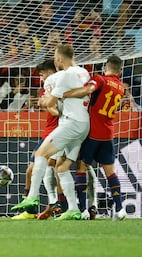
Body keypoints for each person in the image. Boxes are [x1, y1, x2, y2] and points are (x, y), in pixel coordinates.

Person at [11, 44, 91, 220]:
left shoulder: (63, 76)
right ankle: (73, 208)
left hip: (71, 123)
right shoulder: (83, 72)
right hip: (84, 123)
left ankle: (32, 197)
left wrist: (41, 102)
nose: (55, 60)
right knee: (62, 168)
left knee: (41, 154)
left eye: (55, 56)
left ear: (59, 59)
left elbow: (50, 103)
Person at [64, 55, 127, 220]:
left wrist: (66, 94)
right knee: (110, 173)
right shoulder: (121, 87)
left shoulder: (101, 79)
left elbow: (88, 90)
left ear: (106, 67)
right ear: (120, 71)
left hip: (92, 133)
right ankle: (120, 209)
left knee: (82, 167)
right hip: (108, 134)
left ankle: (83, 209)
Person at [11, 59, 66, 220]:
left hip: (57, 133)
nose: (41, 79)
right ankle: (36, 208)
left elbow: (57, 111)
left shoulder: (58, 88)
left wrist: (47, 104)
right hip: (48, 133)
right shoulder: (49, 89)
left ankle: (60, 206)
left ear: (50, 73)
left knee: (57, 170)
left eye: (42, 75)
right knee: (36, 170)